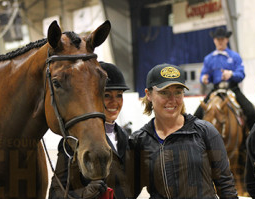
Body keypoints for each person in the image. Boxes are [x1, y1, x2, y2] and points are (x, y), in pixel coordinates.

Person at [130, 63, 238, 198]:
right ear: (149, 94)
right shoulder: (139, 141)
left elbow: (226, 185)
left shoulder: (205, 132)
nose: (172, 100)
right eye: (164, 92)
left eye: (178, 92)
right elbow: (128, 191)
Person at [49, 61, 136, 199]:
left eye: (119, 95)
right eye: (107, 95)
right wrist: (83, 196)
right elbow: (55, 194)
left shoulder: (124, 138)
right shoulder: (73, 142)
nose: (115, 102)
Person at [194, 27, 255, 130]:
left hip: (232, 89)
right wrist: (204, 78)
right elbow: (204, 75)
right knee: (196, 115)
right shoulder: (209, 59)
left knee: (251, 112)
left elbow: (241, 74)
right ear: (214, 40)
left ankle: (252, 139)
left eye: (222, 39)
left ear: (226, 40)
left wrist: (231, 74)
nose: (220, 42)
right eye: (217, 39)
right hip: (216, 89)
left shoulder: (235, 56)